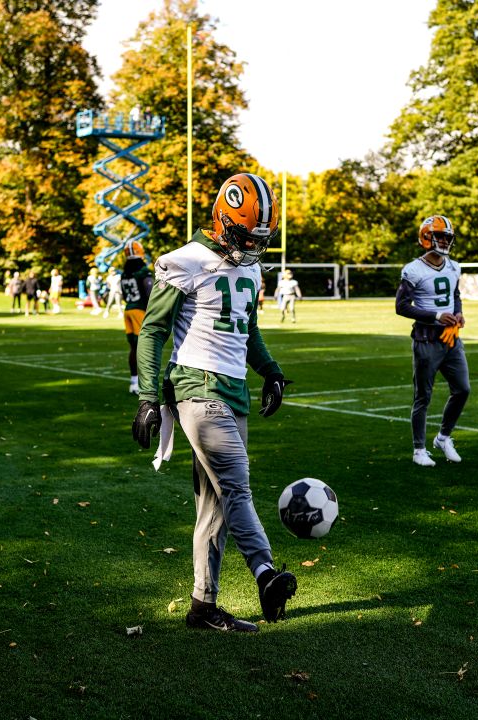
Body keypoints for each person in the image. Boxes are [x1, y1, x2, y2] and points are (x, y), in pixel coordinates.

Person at [133, 172, 298, 633]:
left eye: (259, 237)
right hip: (196, 389)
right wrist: (148, 396)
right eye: (246, 235)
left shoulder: (246, 266)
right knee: (237, 486)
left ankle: (203, 607)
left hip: (233, 392)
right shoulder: (182, 261)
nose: (252, 246)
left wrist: (270, 371)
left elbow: (247, 329)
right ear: (222, 221)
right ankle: (266, 574)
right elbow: (153, 332)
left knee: (215, 506)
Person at [395, 215, 471, 467]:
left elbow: (454, 294)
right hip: (426, 341)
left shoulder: (453, 266)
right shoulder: (413, 269)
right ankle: (419, 449)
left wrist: (458, 312)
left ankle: (443, 437)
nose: (445, 242)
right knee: (423, 397)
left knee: (462, 389)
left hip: (451, 340)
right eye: (441, 236)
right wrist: (437, 315)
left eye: (448, 237)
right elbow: (402, 306)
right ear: (426, 237)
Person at [120, 241, 153, 394]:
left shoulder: (125, 272)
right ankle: (144, 383)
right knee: (145, 349)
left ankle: (134, 382)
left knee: (134, 348)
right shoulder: (142, 271)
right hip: (139, 310)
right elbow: (149, 293)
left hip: (128, 310)